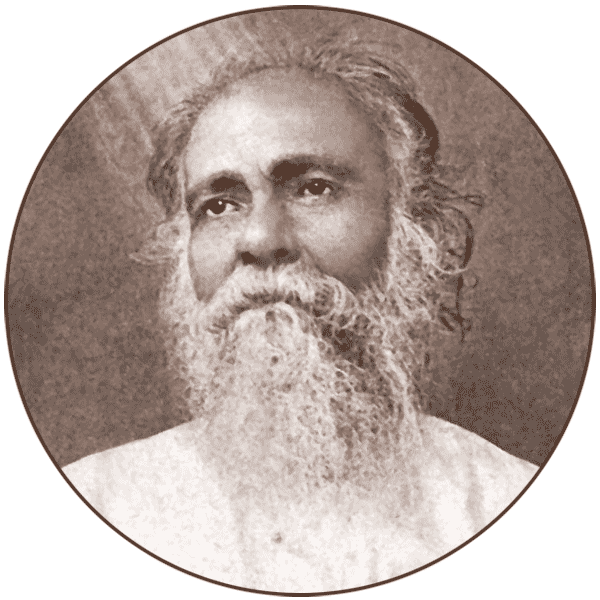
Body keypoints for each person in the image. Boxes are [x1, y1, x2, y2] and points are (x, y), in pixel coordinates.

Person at [63, 33, 538, 592]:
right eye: (219, 205)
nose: (260, 239)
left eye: (314, 189)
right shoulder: (96, 503)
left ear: (413, 228)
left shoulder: (503, 502)